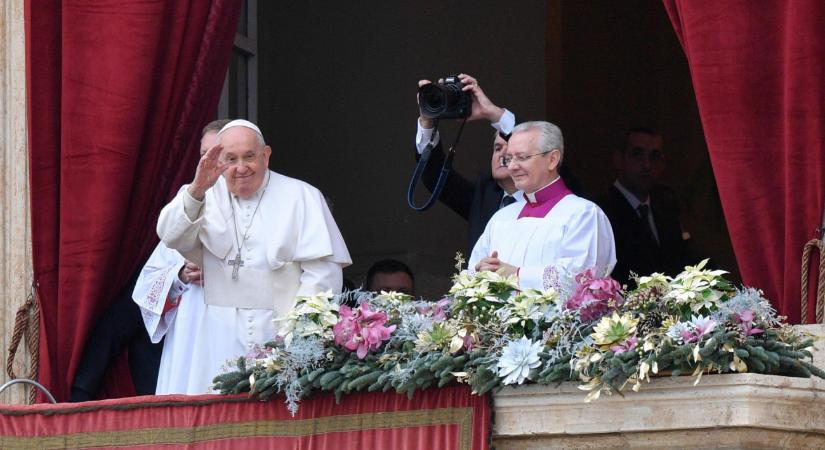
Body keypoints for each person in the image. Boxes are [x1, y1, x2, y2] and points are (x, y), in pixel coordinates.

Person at [154, 119, 351, 393]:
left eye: (249, 156)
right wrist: (197, 188)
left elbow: (323, 274)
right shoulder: (203, 194)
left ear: (266, 155)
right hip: (217, 336)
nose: (241, 167)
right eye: (230, 159)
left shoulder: (302, 196)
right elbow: (170, 234)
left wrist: (299, 334)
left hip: (279, 332)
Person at [469, 121, 616, 291]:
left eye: (522, 157)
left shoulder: (584, 214)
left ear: (552, 159)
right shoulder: (501, 217)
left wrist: (516, 274)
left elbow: (579, 279)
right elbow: (470, 272)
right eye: (509, 159)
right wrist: (480, 271)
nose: (512, 167)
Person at [415, 74, 521, 253]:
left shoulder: (551, 194)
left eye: (510, 147)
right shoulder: (485, 196)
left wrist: (493, 113)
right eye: (497, 148)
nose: (503, 154)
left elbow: (541, 152)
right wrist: (427, 121)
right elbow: (436, 179)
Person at [596, 127, 687, 286]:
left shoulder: (666, 207)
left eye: (654, 156)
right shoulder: (600, 212)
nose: (647, 165)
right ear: (619, 159)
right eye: (637, 154)